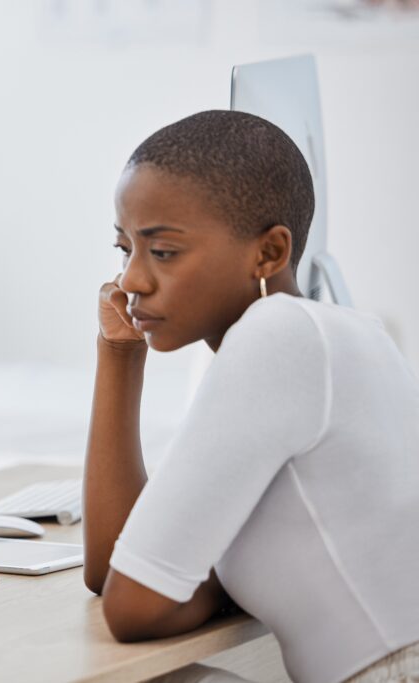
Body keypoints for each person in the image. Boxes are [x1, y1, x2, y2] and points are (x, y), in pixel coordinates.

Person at [83, 110, 419, 682]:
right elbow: (116, 572)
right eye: (125, 249)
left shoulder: (275, 337)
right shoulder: (349, 332)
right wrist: (119, 354)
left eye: (162, 252)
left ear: (269, 254)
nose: (131, 281)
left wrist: (201, 584)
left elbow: (130, 604)